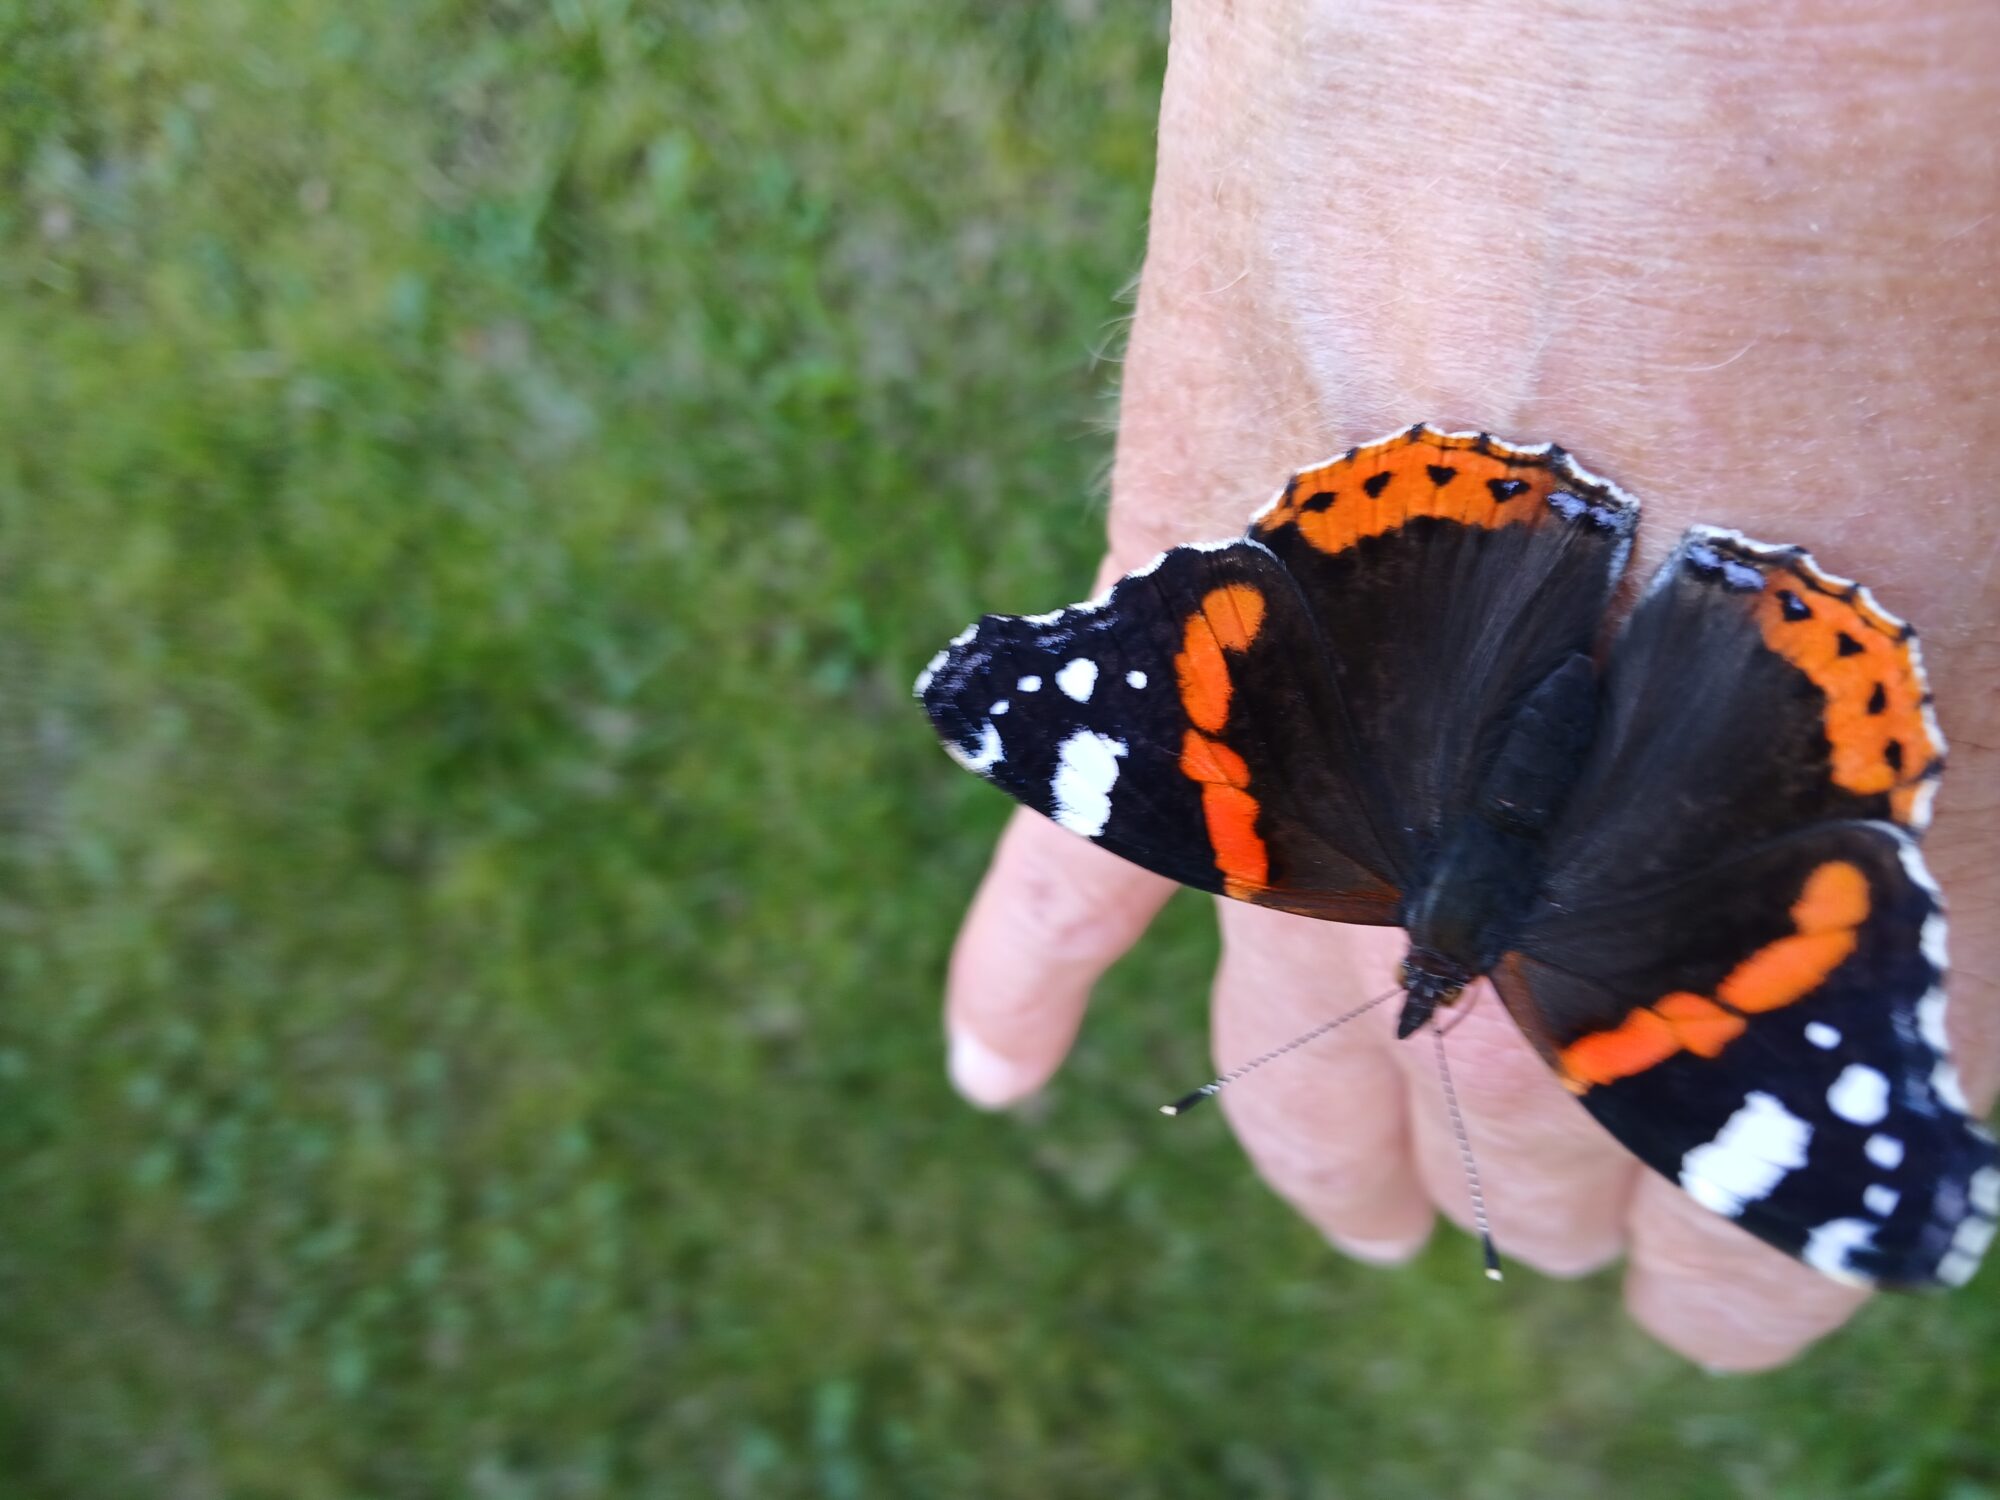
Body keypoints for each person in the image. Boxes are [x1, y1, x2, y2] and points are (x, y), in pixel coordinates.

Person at [937, 0, 2000, 1371]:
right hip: (1501, 632)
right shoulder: (1299, 852)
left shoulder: (1344, 867)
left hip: (1538, 667)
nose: (1446, 1012)